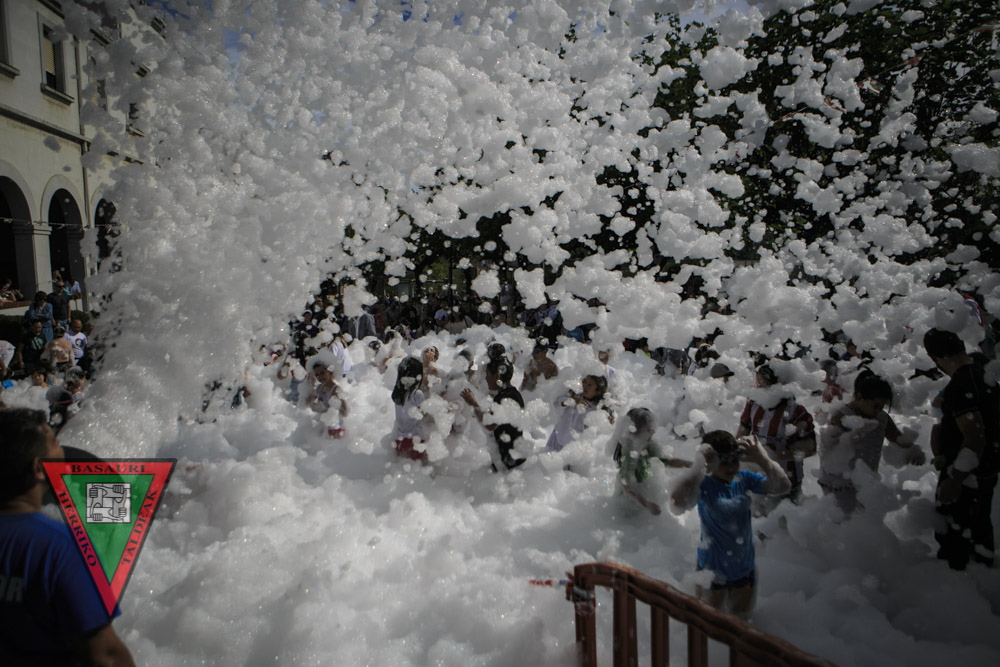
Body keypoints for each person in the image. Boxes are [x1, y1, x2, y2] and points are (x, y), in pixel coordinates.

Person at [0, 407, 136, 665]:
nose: (61, 444)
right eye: (53, 441)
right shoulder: (61, 547)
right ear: (39, 469)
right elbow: (106, 656)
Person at [670, 430, 791, 616]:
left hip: (744, 568)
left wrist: (762, 459)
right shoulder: (703, 484)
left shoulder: (744, 479)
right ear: (712, 462)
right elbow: (676, 504)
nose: (731, 467)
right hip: (712, 571)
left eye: (735, 460)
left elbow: (783, 486)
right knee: (707, 625)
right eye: (724, 462)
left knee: (741, 623)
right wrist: (699, 466)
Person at [923, 328, 999, 570]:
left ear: (936, 357)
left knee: (955, 539)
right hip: (987, 469)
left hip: (967, 475)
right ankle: (983, 578)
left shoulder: (961, 385)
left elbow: (975, 438)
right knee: (980, 529)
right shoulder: (985, 375)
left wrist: (955, 479)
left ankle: (959, 585)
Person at [818, 372, 925, 514]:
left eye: (882, 407)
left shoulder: (881, 418)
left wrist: (913, 452)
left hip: (866, 479)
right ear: (859, 397)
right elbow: (830, 450)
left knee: (864, 517)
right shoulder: (842, 416)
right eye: (875, 405)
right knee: (846, 520)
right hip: (839, 481)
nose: (878, 411)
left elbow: (897, 438)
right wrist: (852, 435)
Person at [736, 364, 816, 508]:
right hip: (757, 476)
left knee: (784, 518)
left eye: (764, 384)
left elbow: (810, 449)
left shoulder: (796, 412)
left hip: (787, 478)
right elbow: (743, 429)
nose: (760, 387)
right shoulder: (753, 403)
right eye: (758, 383)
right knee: (757, 516)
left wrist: (775, 456)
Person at [611, 407, 690, 515]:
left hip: (644, 491)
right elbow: (626, 486)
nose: (652, 432)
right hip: (629, 502)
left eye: (652, 430)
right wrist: (646, 504)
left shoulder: (648, 443)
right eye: (648, 431)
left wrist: (690, 464)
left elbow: (666, 461)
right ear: (635, 432)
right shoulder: (629, 452)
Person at [461, 356, 527, 471]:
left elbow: (489, 425)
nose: (486, 378)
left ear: (497, 376)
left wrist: (473, 404)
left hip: (509, 463)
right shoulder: (513, 393)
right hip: (514, 458)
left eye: (487, 374)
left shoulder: (505, 398)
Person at [545, 374, 612, 452]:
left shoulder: (595, 409)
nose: (585, 386)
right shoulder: (573, 396)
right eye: (584, 382)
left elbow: (597, 432)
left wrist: (606, 423)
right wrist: (571, 401)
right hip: (556, 440)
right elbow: (557, 402)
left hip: (574, 448)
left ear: (597, 392)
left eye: (589, 385)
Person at [391, 357, 427, 462]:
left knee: (401, 465)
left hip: (399, 439)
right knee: (419, 466)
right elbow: (423, 414)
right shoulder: (417, 394)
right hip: (415, 439)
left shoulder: (397, 394)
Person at [306, 361, 348, 438]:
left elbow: (344, 413)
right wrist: (309, 385)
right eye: (317, 375)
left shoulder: (336, 390)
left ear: (330, 371)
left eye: (322, 373)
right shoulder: (319, 388)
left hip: (336, 428)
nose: (320, 377)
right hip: (324, 426)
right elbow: (307, 402)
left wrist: (323, 410)